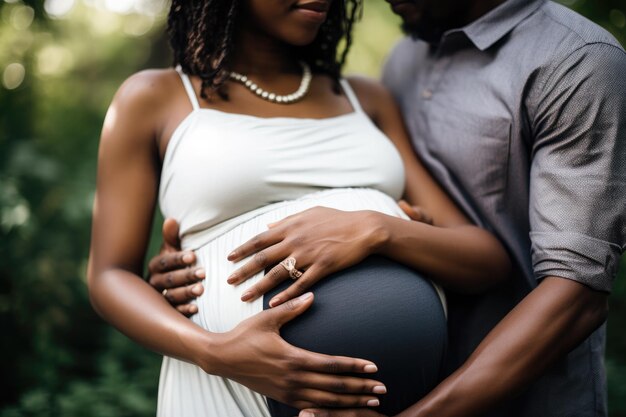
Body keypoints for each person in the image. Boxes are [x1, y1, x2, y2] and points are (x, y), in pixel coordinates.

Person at [151, 0, 626, 416]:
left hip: (522, 395)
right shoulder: (405, 60)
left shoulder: (575, 61)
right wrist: (203, 262)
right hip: (405, 383)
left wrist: (378, 228)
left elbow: (577, 293)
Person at [87, 0, 513, 416]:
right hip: (226, 390)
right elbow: (109, 276)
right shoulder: (153, 98)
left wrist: (376, 229)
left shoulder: (367, 98)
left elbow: (486, 259)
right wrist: (215, 352)